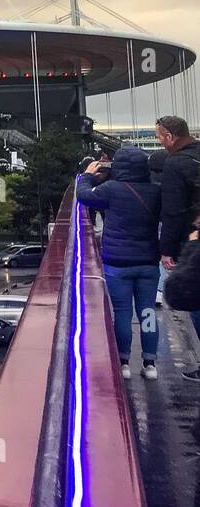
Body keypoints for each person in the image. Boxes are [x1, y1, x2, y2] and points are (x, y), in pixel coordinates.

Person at [76, 145, 162, 380]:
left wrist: (87, 175)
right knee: (147, 311)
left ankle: (124, 363)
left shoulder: (111, 189)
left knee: (123, 313)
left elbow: (84, 196)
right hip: (148, 262)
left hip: (117, 263)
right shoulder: (156, 191)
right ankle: (150, 363)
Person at [156, 116, 200, 379]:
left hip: (192, 238)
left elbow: (172, 212)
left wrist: (167, 250)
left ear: (170, 137)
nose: (160, 142)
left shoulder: (174, 164)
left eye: (160, 137)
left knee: (196, 299)